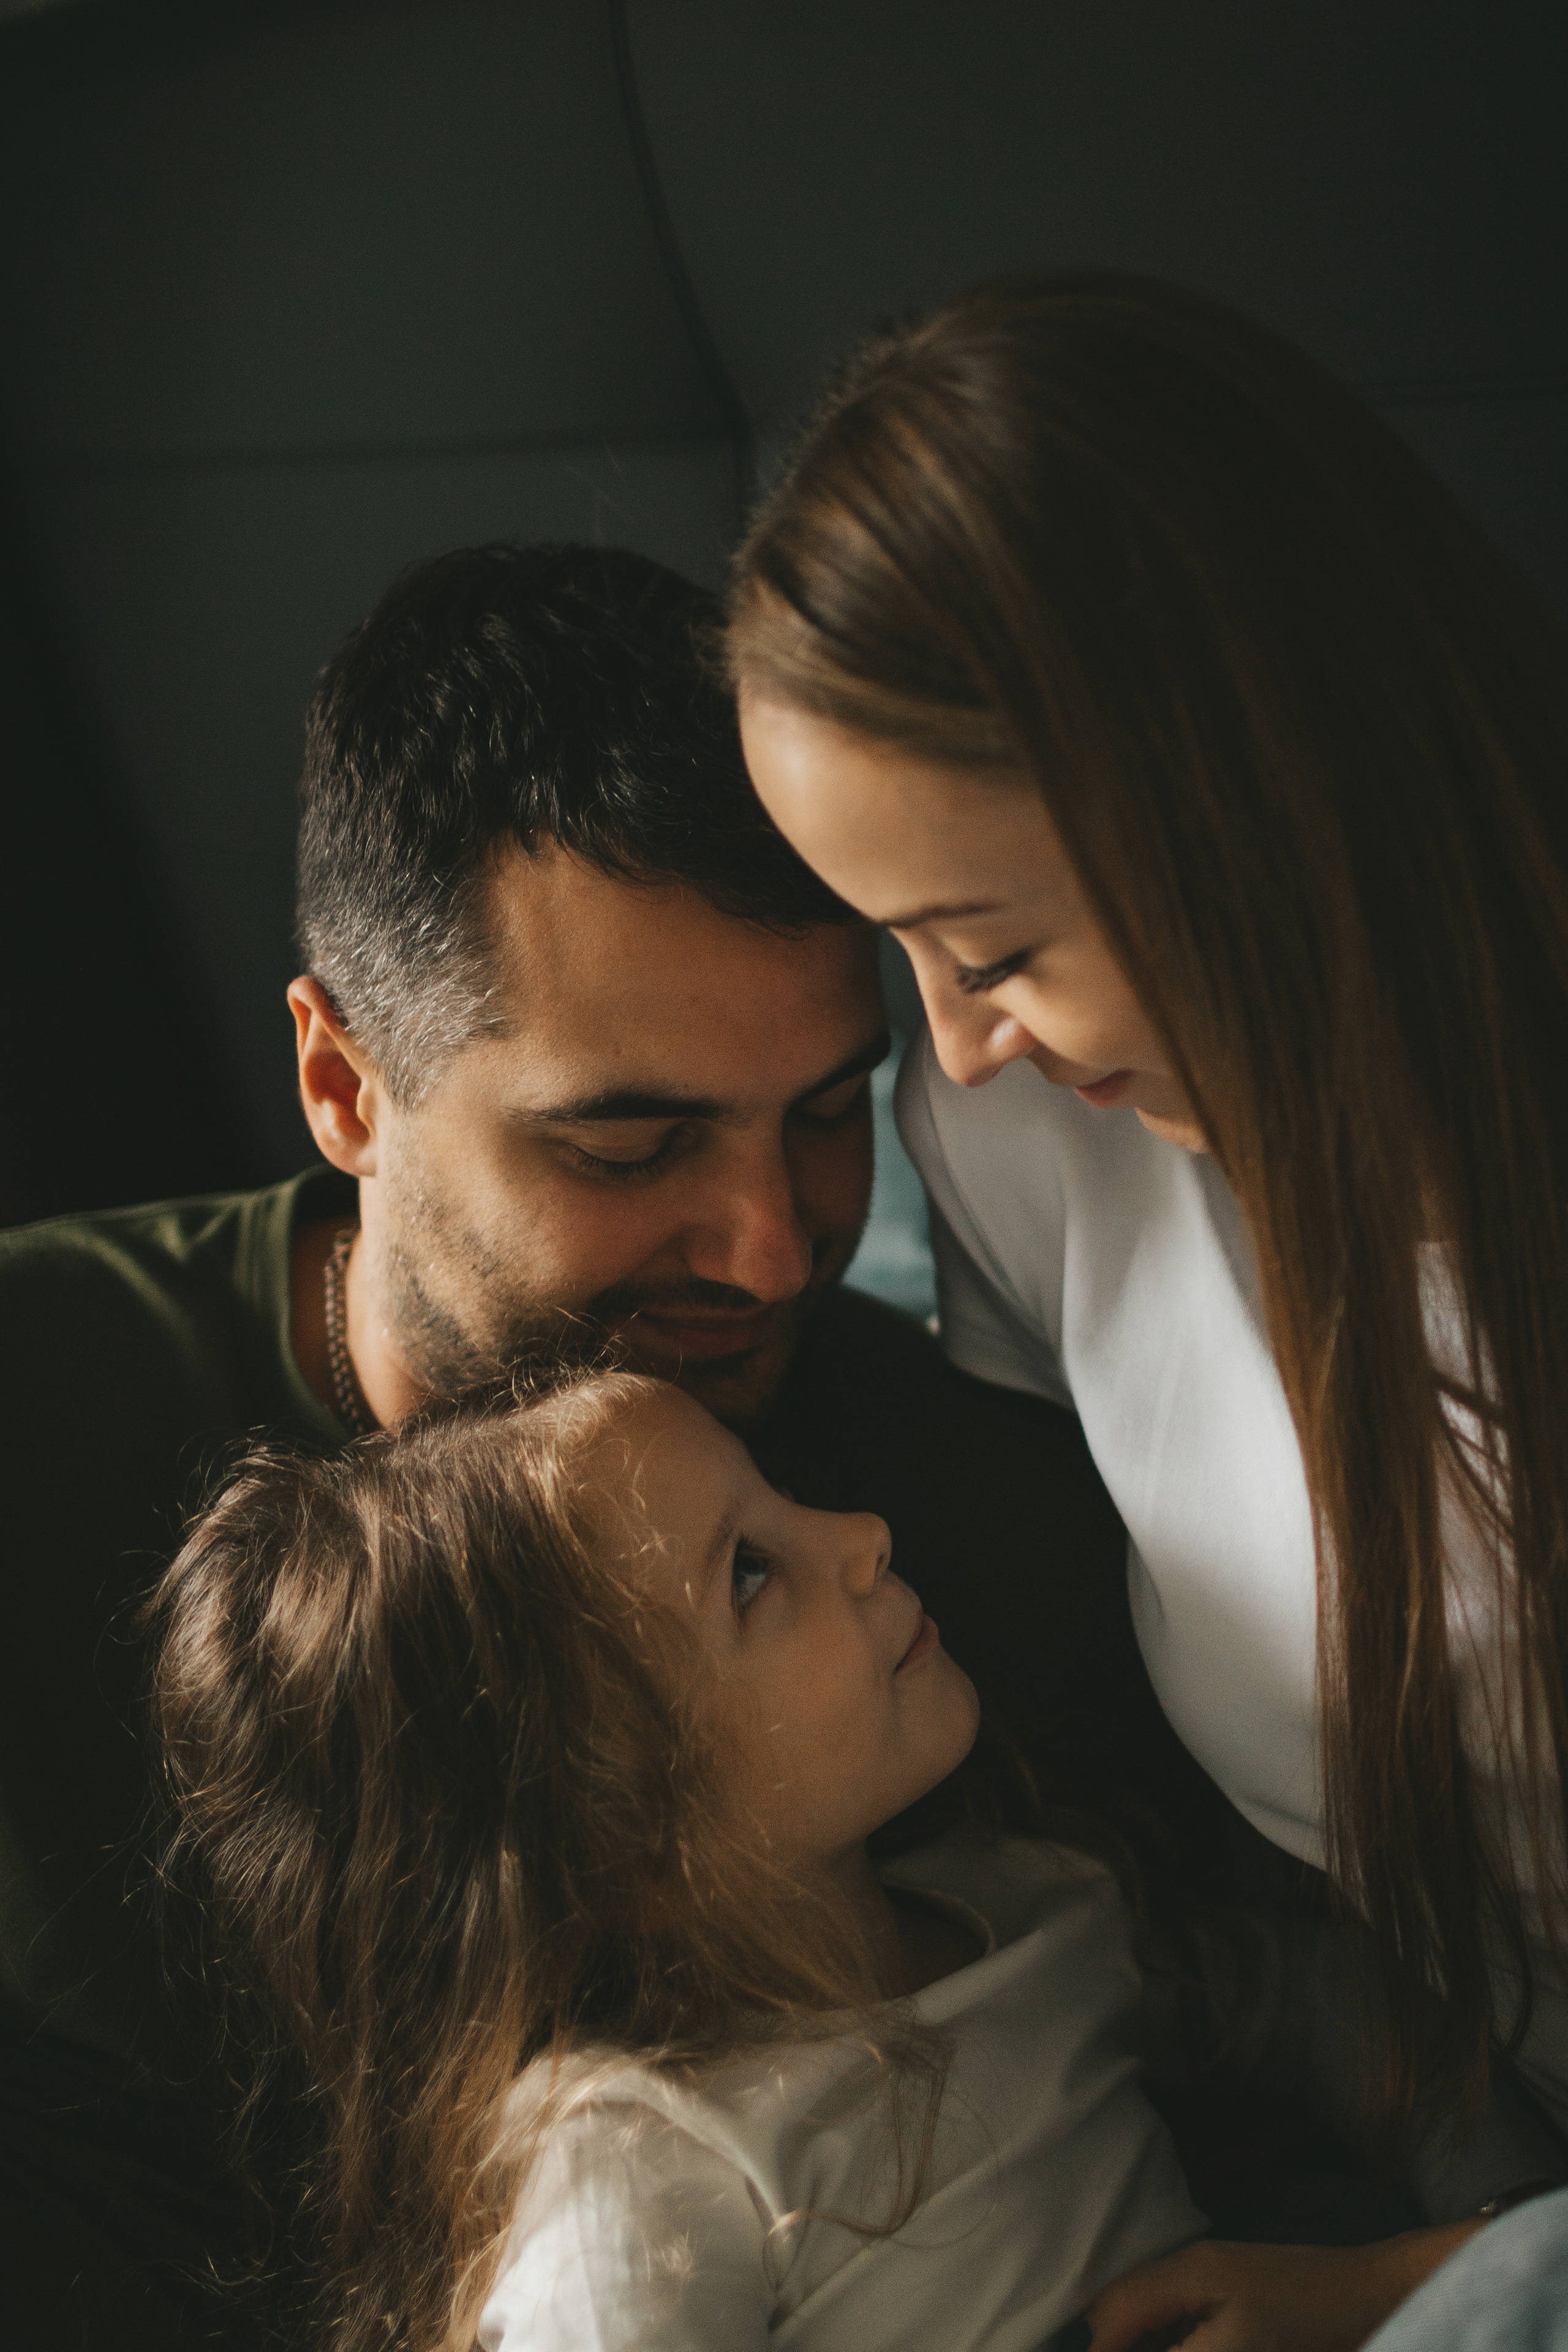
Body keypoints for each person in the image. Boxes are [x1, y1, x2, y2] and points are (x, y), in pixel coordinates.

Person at [0, 541, 1179, 2349]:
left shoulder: (951, 1520)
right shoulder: (46, 1404)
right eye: (627, 1150)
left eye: (823, 1117)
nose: (772, 1251)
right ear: (343, 1087)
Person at [726, 273, 1568, 2348]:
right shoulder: (1030, 1145)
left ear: (1250, 806)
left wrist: (1432, 2283)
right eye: (893, 953)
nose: (955, 1052)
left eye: (986, 943)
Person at [146, 1370, 1555, 2352]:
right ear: (621, 1837)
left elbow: (1337, 2008)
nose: (862, 1537)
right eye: (751, 1572)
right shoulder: (642, 2153)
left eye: (786, 1503)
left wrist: (1477, 2229)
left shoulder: (1028, 1905)